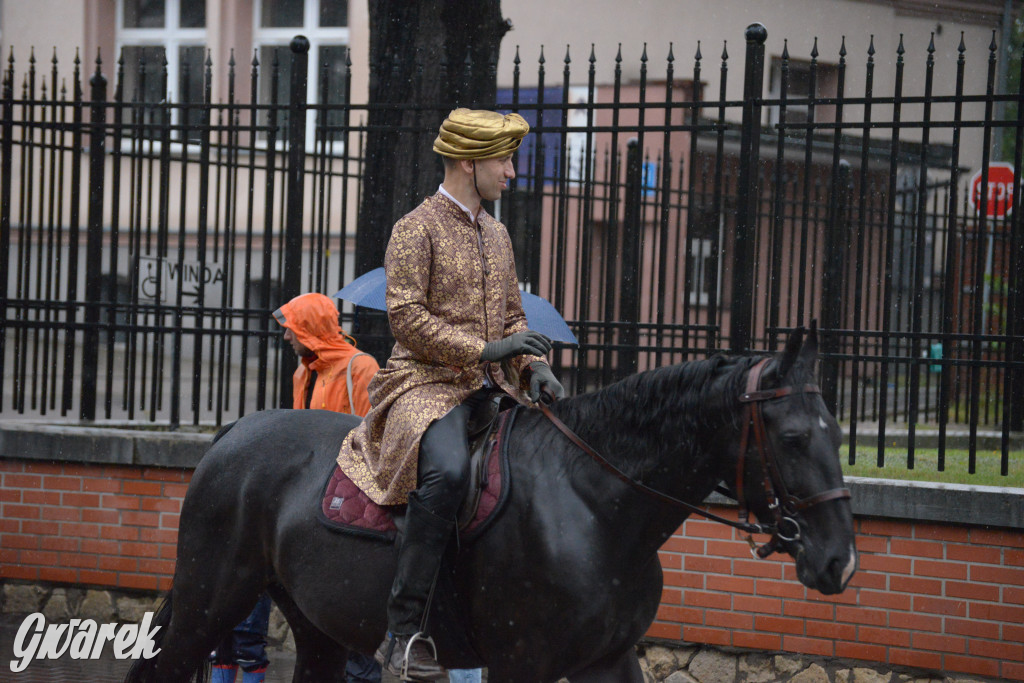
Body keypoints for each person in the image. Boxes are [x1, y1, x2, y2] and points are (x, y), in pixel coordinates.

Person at [336, 108, 564, 681]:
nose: (512, 173)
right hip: (424, 385)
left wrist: (532, 366)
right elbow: (407, 320)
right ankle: (403, 631)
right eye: (504, 160)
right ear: (469, 161)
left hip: (490, 387)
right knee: (449, 476)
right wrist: (484, 351)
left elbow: (513, 316)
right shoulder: (416, 228)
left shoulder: (498, 233)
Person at [211, 292, 382, 683]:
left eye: (291, 328)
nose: (286, 337)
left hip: (348, 495)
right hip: (308, 494)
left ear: (310, 329)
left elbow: (371, 433)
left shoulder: (361, 367)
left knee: (350, 610)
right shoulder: (304, 371)